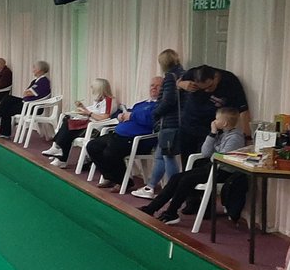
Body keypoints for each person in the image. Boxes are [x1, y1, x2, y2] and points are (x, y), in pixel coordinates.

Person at [141, 107, 248, 225]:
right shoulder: (221, 134)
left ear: (225, 123)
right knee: (176, 177)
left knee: (186, 180)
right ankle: (151, 208)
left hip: (223, 171)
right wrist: (212, 134)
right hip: (212, 167)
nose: (214, 121)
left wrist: (214, 154)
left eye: (217, 119)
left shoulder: (235, 138)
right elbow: (206, 153)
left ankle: (171, 212)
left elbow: (221, 158)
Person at [85, 77, 161, 193]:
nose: (154, 88)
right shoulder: (141, 104)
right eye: (152, 85)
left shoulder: (161, 106)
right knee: (92, 146)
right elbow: (128, 112)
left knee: (110, 151)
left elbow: (152, 121)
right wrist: (121, 116)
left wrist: (131, 116)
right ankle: (111, 177)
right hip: (120, 135)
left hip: (138, 140)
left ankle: (124, 182)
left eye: (157, 86)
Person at [133, 49, 186, 200]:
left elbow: (168, 100)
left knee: (168, 157)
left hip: (170, 122)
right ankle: (150, 186)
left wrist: (156, 112)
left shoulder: (170, 77)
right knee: (160, 156)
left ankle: (173, 190)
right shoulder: (184, 74)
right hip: (179, 121)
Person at [177, 65, 250, 163]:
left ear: (216, 77)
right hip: (188, 124)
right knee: (187, 163)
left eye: (210, 86)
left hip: (210, 128)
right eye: (201, 88)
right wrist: (182, 84)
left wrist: (247, 137)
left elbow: (243, 110)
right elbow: (177, 83)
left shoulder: (230, 81)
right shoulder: (192, 73)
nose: (206, 90)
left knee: (202, 162)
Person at [41, 77, 112, 168]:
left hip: (95, 129)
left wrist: (88, 113)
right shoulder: (98, 101)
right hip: (89, 124)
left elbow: (105, 117)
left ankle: (59, 152)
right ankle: (59, 153)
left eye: (93, 87)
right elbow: (93, 111)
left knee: (68, 125)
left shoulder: (108, 100)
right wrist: (83, 108)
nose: (91, 88)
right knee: (67, 122)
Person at [0, 60, 53, 139]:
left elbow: (29, 93)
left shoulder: (43, 81)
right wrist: (27, 93)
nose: (33, 70)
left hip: (32, 107)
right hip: (26, 103)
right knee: (7, 98)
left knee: (6, 109)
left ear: (40, 70)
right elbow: (26, 92)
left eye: (34, 68)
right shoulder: (35, 81)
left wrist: (27, 93)